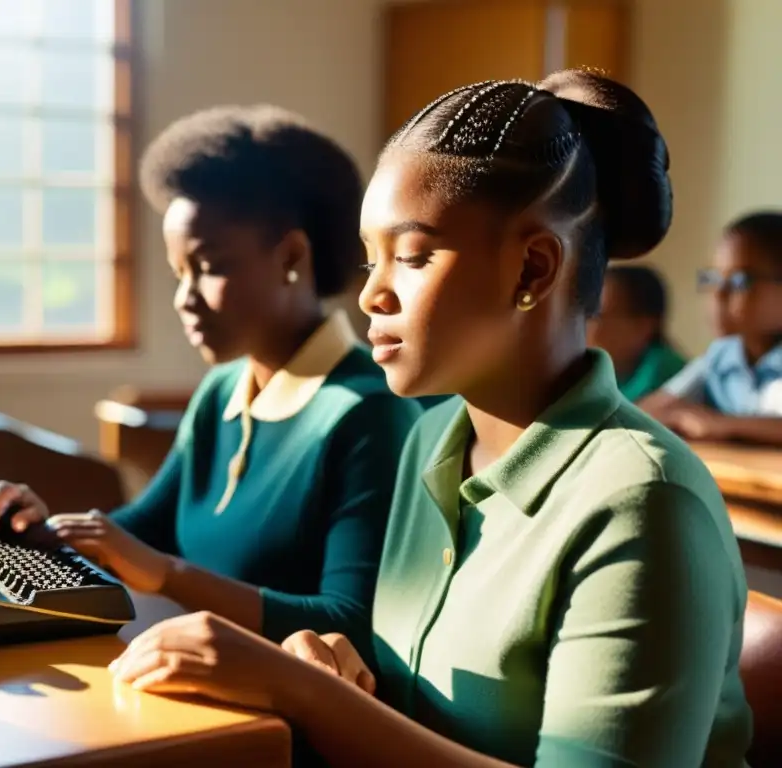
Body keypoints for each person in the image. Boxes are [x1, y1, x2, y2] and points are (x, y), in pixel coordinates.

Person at [107, 71, 753, 767]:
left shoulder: (643, 501)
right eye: (370, 260)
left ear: (533, 270)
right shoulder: (430, 441)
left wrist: (312, 698)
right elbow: (420, 711)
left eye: (412, 257)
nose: (372, 296)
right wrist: (337, 673)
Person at [0, 106, 422, 653]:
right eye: (179, 272)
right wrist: (41, 527)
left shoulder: (367, 413)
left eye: (210, 267)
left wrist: (170, 575)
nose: (184, 299)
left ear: (292, 255)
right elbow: (142, 531)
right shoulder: (224, 388)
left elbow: (351, 622)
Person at [641, 211, 782, 445]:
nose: (718, 293)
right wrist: (678, 416)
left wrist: (722, 424)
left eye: (740, 281)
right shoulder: (720, 357)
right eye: (713, 278)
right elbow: (650, 411)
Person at [587, 264, 686, 400]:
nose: (586, 327)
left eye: (597, 316)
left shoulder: (669, 375)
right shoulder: (605, 373)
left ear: (644, 326)